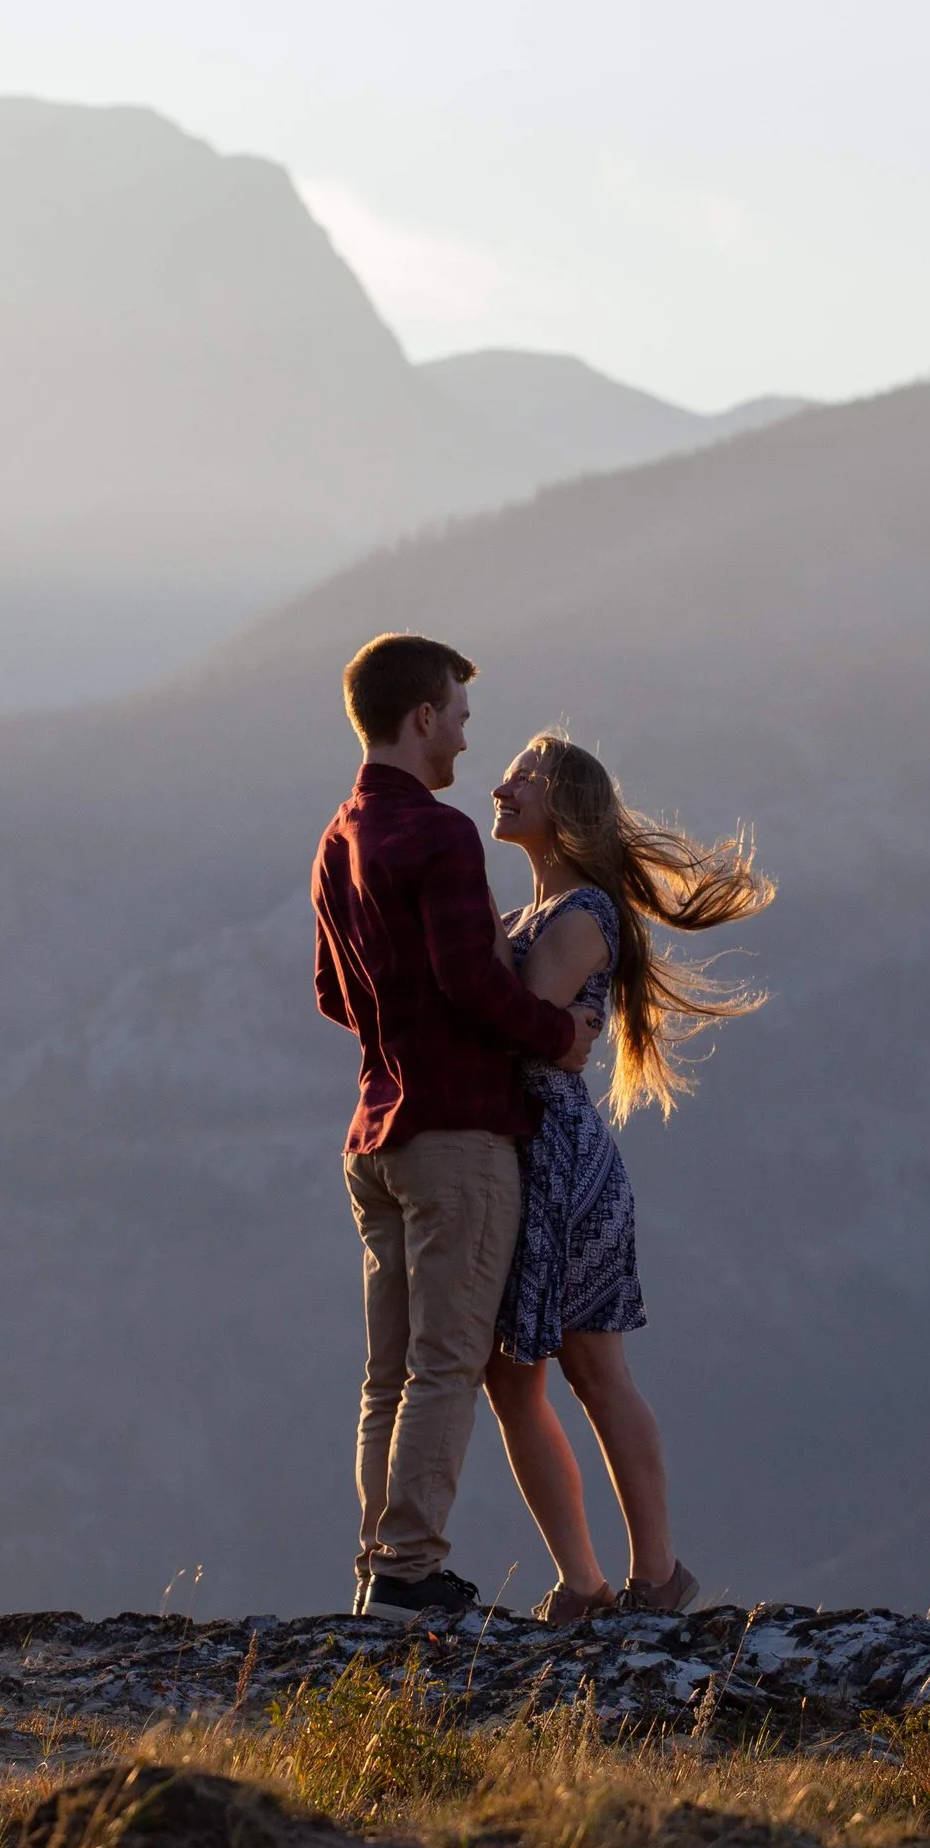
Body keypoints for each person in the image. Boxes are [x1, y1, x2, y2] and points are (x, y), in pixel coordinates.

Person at [311, 634, 602, 1623]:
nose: (467, 745)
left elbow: (329, 991)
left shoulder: (337, 834)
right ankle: (408, 1573)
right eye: (462, 719)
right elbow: (471, 982)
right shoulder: (438, 837)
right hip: (458, 1135)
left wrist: (401, 1027)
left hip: (374, 1133)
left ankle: (376, 1563)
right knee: (446, 1359)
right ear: (423, 716)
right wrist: (561, 1031)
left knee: (386, 1370)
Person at [480, 732, 774, 1626]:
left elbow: (517, 1021)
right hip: (534, 1155)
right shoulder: (550, 913)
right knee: (517, 1376)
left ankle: (650, 1577)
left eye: (524, 776)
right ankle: (590, 1582)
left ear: (564, 806)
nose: (502, 785)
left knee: (592, 1371)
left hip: (560, 1165)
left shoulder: (575, 921)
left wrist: (464, 920)